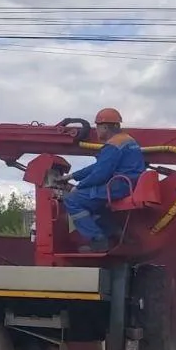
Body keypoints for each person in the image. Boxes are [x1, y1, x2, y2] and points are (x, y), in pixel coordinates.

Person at [56, 108, 146, 252]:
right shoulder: (128, 140)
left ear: (105, 127)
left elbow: (100, 175)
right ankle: (113, 232)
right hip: (130, 184)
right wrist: (72, 176)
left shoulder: (113, 146)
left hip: (119, 185)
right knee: (95, 203)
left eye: (97, 126)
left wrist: (78, 187)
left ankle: (97, 240)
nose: (96, 130)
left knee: (72, 200)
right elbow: (99, 166)